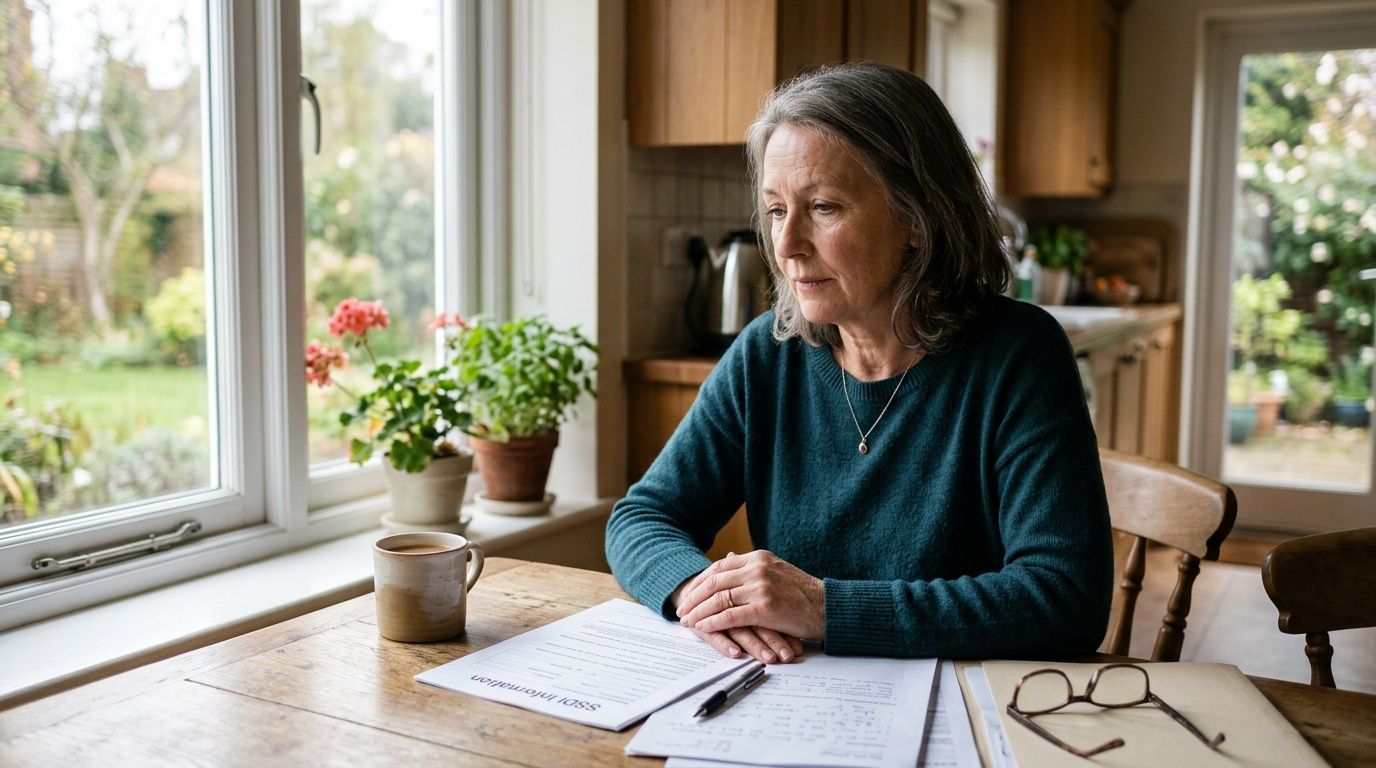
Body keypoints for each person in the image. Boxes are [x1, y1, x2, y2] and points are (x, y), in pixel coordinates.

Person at [605, 61, 1113, 664]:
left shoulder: (1019, 357)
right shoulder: (766, 356)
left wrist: (824, 609)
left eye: (823, 207)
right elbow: (642, 517)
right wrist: (703, 595)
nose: (787, 245)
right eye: (774, 210)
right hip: (796, 702)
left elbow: (1066, 599)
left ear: (916, 219)